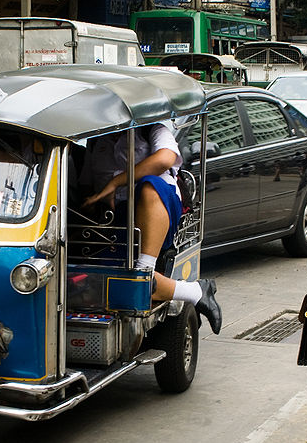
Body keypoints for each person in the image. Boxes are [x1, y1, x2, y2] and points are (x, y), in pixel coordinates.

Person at [79, 123, 222, 334]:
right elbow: (86, 186)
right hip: (115, 223)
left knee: (149, 185)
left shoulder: (152, 130)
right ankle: (194, 291)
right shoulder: (95, 141)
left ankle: (145, 269)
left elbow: (165, 159)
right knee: (96, 284)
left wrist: (116, 182)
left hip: (158, 212)